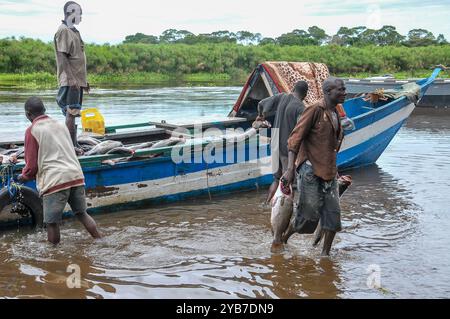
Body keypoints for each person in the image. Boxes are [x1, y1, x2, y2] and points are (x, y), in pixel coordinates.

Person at [17, 97, 101, 245]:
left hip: (55, 180)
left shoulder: (32, 131)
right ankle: (100, 240)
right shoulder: (60, 125)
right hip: (75, 175)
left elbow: (31, 167)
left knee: (51, 223)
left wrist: (23, 177)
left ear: (28, 114)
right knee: (82, 213)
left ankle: (53, 256)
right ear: (44, 110)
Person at [282, 77, 346, 257]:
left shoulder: (335, 113)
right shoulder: (314, 110)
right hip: (310, 170)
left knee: (333, 216)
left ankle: (325, 255)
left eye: (344, 89)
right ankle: (284, 236)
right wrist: (289, 170)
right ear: (328, 92)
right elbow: (294, 139)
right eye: (340, 90)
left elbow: (332, 147)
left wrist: (336, 171)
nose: (344, 92)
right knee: (308, 216)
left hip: (329, 172)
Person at [255, 81, 308, 204]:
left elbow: (261, 103)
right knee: (288, 182)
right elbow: (301, 132)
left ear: (293, 88)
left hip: (274, 145)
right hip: (287, 149)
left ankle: (266, 205)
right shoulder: (301, 108)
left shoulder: (281, 97)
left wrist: (260, 117)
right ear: (305, 95)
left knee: (276, 179)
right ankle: (285, 212)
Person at [54, 1, 89, 154]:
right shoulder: (64, 31)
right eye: (78, 13)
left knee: (74, 113)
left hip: (77, 81)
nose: (81, 16)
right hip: (70, 81)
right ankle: (70, 147)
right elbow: (62, 56)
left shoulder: (74, 31)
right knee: (71, 112)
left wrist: (84, 81)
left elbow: (77, 57)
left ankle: (73, 144)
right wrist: (72, 79)